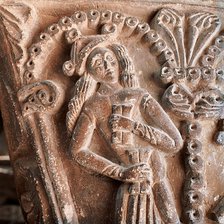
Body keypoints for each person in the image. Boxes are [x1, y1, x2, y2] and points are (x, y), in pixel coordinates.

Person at [65, 38, 183, 223]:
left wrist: (135, 127)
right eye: (98, 63)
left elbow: (175, 143)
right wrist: (120, 172)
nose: (107, 65)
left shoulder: (139, 95)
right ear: (90, 73)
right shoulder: (94, 105)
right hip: (130, 179)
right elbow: (78, 151)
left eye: (109, 59)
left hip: (156, 172)